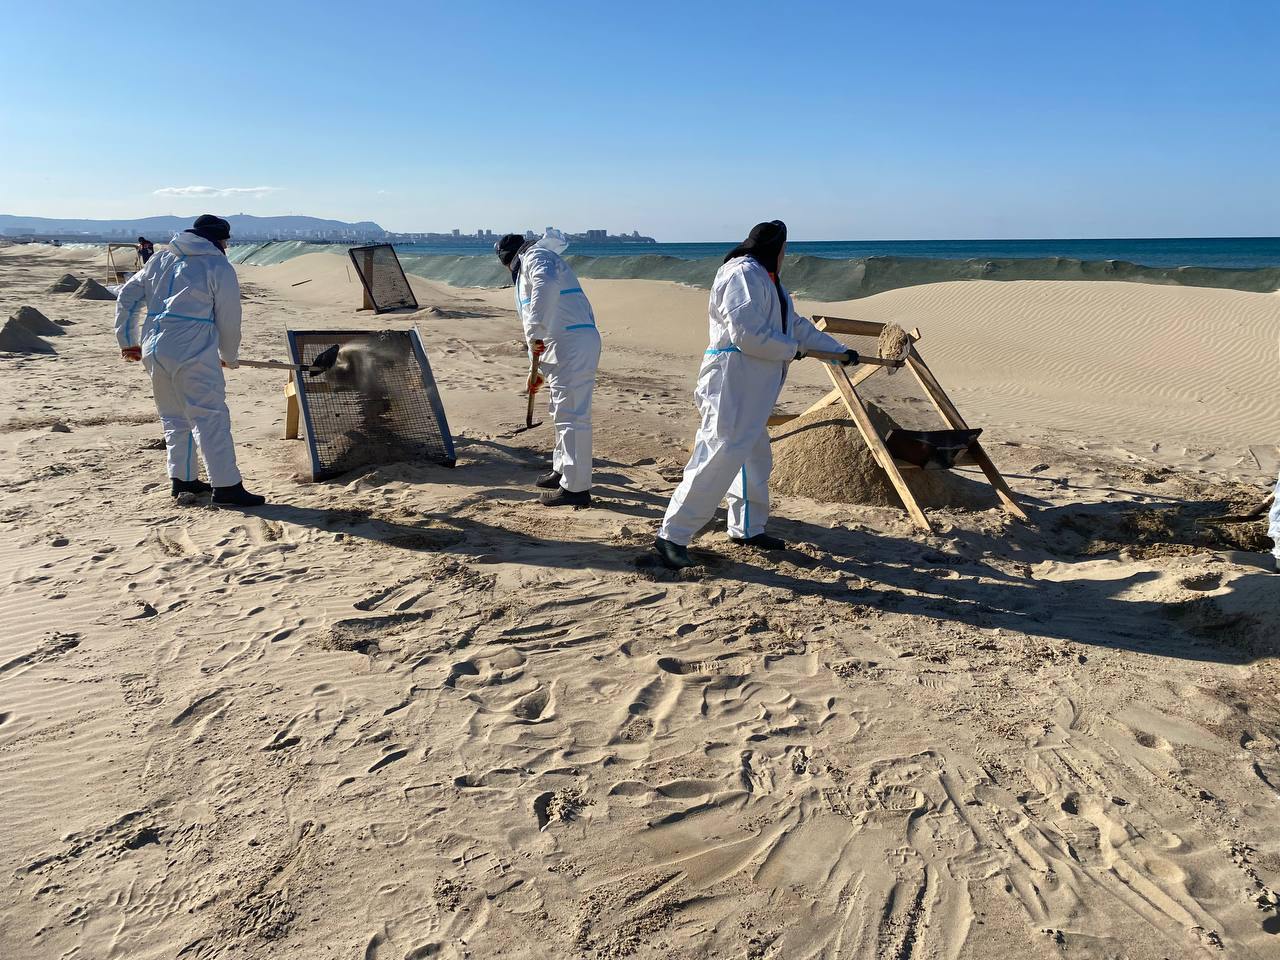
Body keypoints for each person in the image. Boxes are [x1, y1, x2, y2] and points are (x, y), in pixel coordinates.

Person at [654, 220, 862, 569]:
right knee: (717, 457)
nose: (785, 256)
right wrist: (793, 350)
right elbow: (746, 334)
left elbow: (794, 326)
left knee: (754, 458)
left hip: (754, 387)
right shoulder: (741, 274)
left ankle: (747, 528)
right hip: (731, 383)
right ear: (775, 248)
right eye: (784, 249)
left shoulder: (768, 280)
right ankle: (672, 536)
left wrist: (838, 351)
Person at [114, 214, 266, 507]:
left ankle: (183, 479)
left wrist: (128, 342)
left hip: (154, 347)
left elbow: (127, 297)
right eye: (225, 242)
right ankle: (227, 487)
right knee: (209, 417)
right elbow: (229, 317)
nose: (226, 247)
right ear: (217, 240)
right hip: (191, 348)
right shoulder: (217, 266)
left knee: (174, 416)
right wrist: (229, 355)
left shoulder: (159, 259)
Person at [495, 229, 601, 507]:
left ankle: (576, 488)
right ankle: (562, 470)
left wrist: (535, 332)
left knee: (572, 416)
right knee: (560, 410)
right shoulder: (532, 259)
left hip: (570, 343)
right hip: (560, 344)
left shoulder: (536, 257)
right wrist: (537, 368)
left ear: (507, 259)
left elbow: (545, 286)